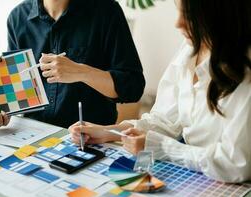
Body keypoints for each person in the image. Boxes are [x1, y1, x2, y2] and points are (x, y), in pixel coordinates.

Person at [69, 0, 251, 182]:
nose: (178, 23)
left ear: (220, 18)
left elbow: (235, 164)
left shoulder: (245, 74)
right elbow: (164, 120)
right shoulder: (189, 49)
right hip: (198, 174)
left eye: (189, 16)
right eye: (179, 12)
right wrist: (108, 132)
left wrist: (162, 147)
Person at [0, 0, 145, 128]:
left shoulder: (107, 12)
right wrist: (5, 110)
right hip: (33, 132)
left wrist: (81, 72)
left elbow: (133, 87)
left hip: (90, 134)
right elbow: (17, 87)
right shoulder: (17, 17)